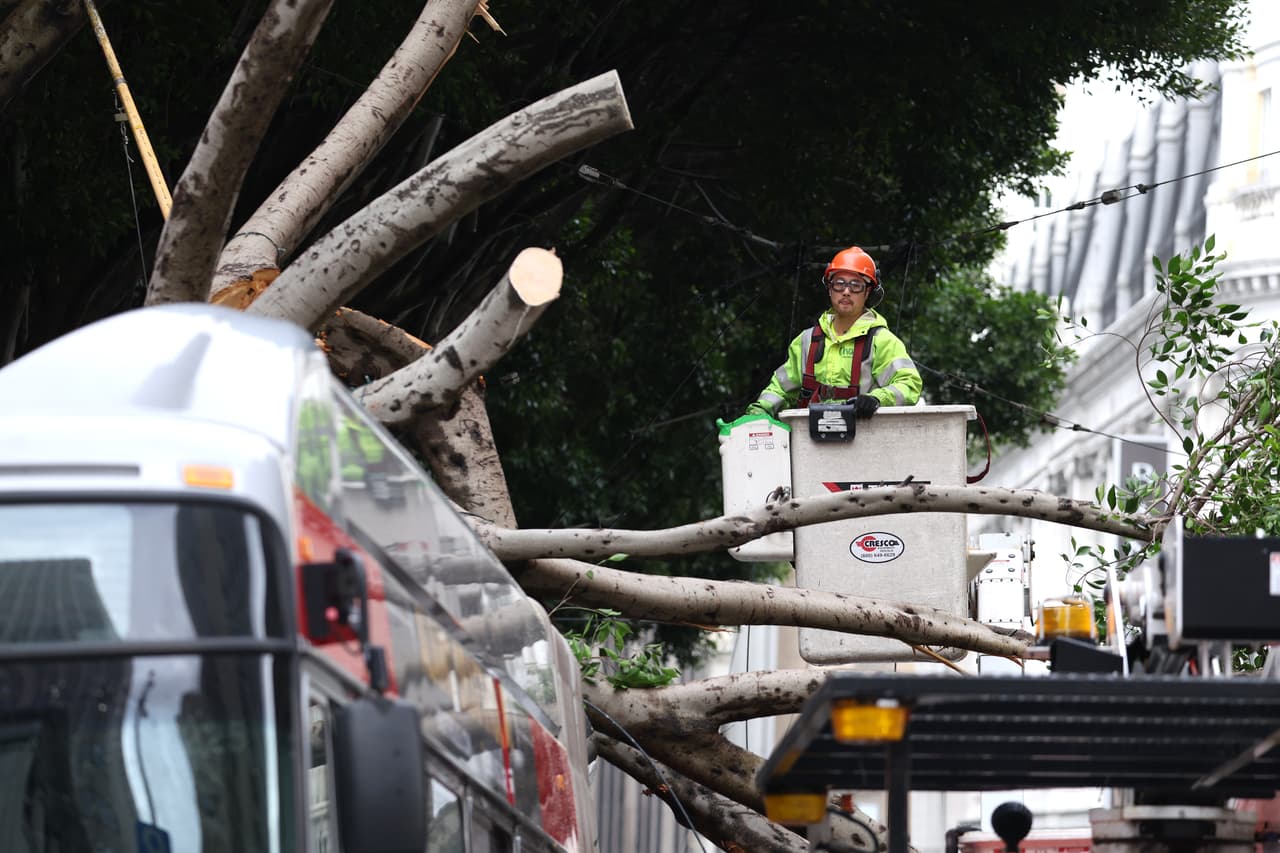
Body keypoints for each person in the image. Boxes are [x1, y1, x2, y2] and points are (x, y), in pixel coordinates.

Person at [745, 246, 921, 418]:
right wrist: (757, 415)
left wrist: (877, 399)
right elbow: (779, 389)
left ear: (867, 292)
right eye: (839, 284)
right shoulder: (807, 341)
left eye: (856, 285)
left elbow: (909, 384)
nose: (846, 291)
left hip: (866, 434)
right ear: (830, 288)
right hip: (810, 435)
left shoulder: (882, 341)